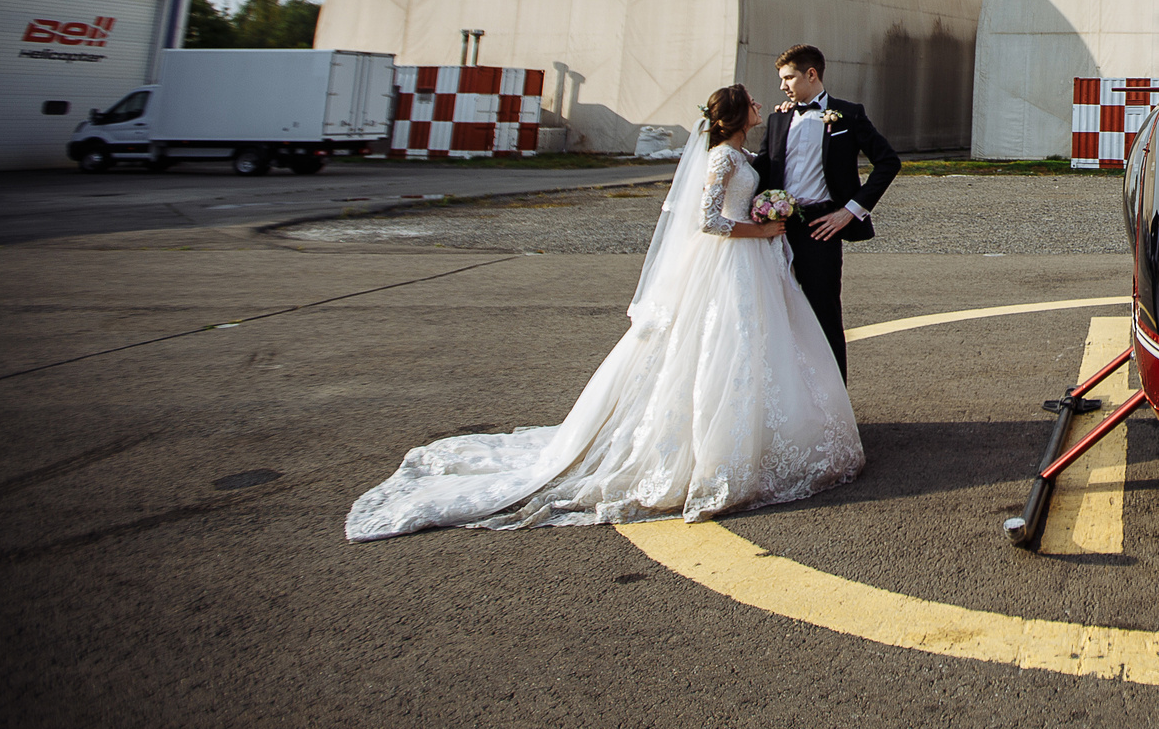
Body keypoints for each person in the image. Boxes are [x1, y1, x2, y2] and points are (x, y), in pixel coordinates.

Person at [343, 84, 862, 540]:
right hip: (729, 263)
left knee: (753, 348)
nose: (760, 105)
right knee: (722, 347)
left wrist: (765, 217)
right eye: (750, 102)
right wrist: (760, 228)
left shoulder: (739, 156)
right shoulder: (723, 159)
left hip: (748, 263)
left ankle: (761, 436)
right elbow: (708, 220)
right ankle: (720, 447)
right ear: (733, 116)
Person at [756, 44, 900, 382]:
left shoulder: (848, 114)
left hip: (822, 230)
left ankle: (836, 408)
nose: (783, 86)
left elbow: (889, 162)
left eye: (788, 77)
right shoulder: (779, 118)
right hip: (776, 231)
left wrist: (849, 212)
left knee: (824, 316)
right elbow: (763, 170)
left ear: (811, 74)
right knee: (777, 315)